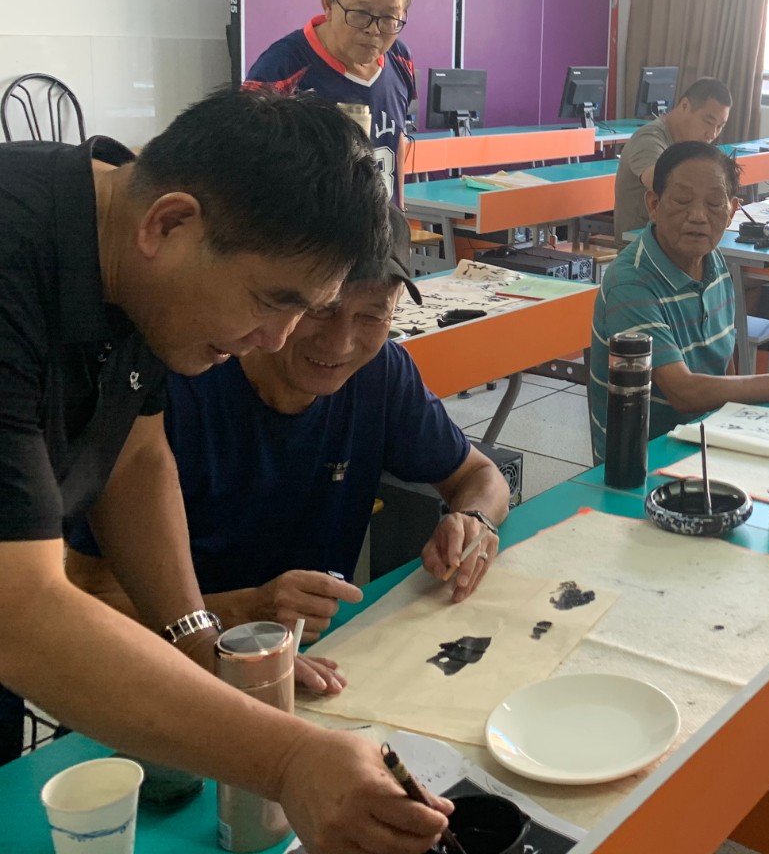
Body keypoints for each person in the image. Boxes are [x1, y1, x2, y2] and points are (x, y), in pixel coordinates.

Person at [0, 88, 453, 849]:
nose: (276, 340)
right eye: (273, 302)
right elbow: (19, 611)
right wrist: (288, 760)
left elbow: (135, 456)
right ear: (169, 223)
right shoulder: (16, 257)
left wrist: (198, 639)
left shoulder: (128, 252)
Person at [64, 208, 511, 695]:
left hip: (312, 664)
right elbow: (85, 595)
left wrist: (475, 520)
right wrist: (242, 611)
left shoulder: (381, 374)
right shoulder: (178, 385)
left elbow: (481, 476)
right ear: (279, 295)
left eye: (371, 315)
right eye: (321, 309)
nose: (340, 343)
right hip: (159, 676)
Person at [590, 141, 769, 462]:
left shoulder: (714, 261)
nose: (698, 216)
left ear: (732, 210)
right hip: (645, 459)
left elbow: (725, 365)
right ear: (654, 203)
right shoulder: (631, 281)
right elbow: (683, 392)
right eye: (682, 200)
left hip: (706, 441)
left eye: (713, 203)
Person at [245, 0, 418, 201]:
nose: (374, 30)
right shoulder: (280, 69)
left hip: (379, 223)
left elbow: (396, 139)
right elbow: (245, 167)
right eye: (360, 14)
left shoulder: (400, 58)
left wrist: (400, 212)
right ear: (328, 4)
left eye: (389, 18)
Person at [612, 77, 732, 237]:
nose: (712, 134)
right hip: (642, 243)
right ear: (685, 106)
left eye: (720, 126)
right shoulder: (648, 139)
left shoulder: (692, 145)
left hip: (680, 237)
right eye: (708, 122)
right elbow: (663, 184)